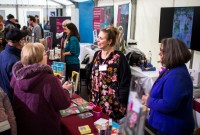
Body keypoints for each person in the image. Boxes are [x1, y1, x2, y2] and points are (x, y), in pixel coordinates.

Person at [10, 43, 72, 135]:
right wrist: (65, 90)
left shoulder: (16, 77)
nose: (46, 56)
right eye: (44, 54)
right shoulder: (49, 79)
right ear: (38, 58)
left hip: (23, 125)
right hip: (45, 127)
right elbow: (63, 103)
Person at [142, 38, 194, 135]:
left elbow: (168, 105)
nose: (159, 53)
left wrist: (149, 100)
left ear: (171, 53)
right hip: (167, 126)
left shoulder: (177, 76)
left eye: (162, 51)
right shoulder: (171, 69)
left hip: (174, 129)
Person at [89, 26, 131, 120]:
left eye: (101, 38)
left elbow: (126, 80)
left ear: (109, 41)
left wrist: (121, 100)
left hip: (113, 104)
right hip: (96, 99)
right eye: (98, 37)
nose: (98, 40)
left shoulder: (119, 57)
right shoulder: (97, 54)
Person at [0, 28, 28, 100]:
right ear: (20, 41)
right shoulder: (16, 61)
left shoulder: (2, 54)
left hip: (5, 96)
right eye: (23, 39)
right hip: (13, 99)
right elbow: (20, 86)